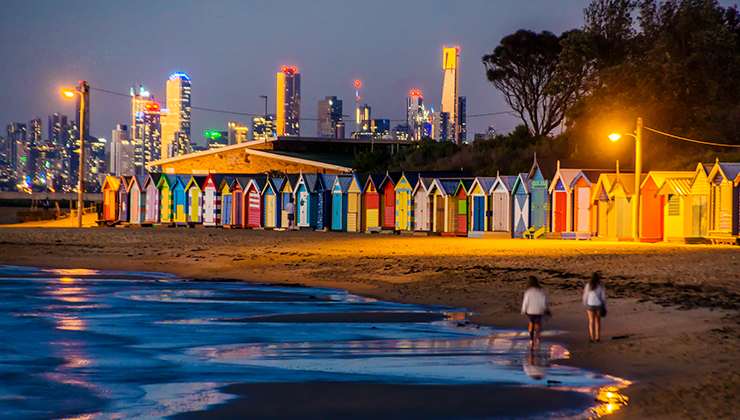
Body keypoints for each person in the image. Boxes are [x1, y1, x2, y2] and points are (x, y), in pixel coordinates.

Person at [521, 275, 549, 349]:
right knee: (538, 324)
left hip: (531, 310)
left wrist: (523, 310)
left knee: (531, 323)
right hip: (539, 310)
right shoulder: (541, 291)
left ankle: (531, 339)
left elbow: (525, 302)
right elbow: (544, 301)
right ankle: (537, 338)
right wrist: (545, 308)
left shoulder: (528, 291)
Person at [583, 271, 607, 342]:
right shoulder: (600, 286)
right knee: (597, 321)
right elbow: (603, 297)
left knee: (591, 321)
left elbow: (585, 296)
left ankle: (591, 337)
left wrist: (585, 303)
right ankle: (597, 337)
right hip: (598, 304)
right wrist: (604, 305)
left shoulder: (588, 285)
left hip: (590, 304)